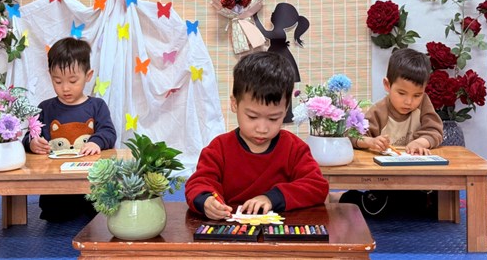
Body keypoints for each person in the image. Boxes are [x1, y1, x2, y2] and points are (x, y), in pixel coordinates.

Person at [185, 51, 329, 220]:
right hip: (231, 230)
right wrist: (207, 201)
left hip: (280, 230)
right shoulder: (219, 148)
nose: (262, 128)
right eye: (252, 117)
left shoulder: (294, 148)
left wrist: (272, 198)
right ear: (234, 104)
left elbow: (317, 186)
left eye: (273, 118)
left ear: (285, 109)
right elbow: (198, 183)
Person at [22, 37, 117, 222]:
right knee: (54, 213)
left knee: (99, 212)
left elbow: (109, 133)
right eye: (57, 81)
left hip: (90, 182)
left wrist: (96, 142)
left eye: (73, 81)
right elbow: (29, 136)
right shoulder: (45, 108)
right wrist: (33, 143)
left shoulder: (97, 106)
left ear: (88, 76)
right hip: (56, 185)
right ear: (50, 76)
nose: (65, 88)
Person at [340, 47, 443, 217]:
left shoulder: (424, 103)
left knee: (435, 205)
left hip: (417, 177)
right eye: (402, 93)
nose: (409, 101)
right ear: (387, 85)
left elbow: (435, 130)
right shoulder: (379, 110)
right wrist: (371, 142)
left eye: (417, 95)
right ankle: (345, 197)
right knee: (375, 209)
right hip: (387, 181)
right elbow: (352, 135)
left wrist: (421, 142)